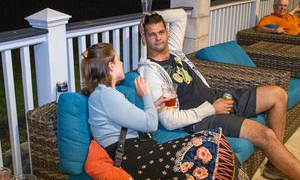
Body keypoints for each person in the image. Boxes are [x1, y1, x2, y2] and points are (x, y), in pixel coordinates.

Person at [138, 8, 300, 179]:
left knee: (278, 94)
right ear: (144, 37)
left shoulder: (174, 50)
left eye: (161, 32)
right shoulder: (151, 73)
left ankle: (274, 167)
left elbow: (179, 15)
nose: (158, 38)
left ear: (167, 32)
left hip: (219, 97)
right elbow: (170, 121)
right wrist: (212, 109)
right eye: (151, 34)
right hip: (203, 118)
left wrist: (149, 15)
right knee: (265, 134)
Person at [81, 43, 247, 180]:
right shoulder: (106, 95)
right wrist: (146, 94)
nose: (122, 63)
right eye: (118, 60)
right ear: (110, 66)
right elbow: (151, 125)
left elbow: (136, 119)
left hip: (139, 151)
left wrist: (153, 105)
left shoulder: (105, 94)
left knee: (200, 163)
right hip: (133, 157)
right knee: (208, 141)